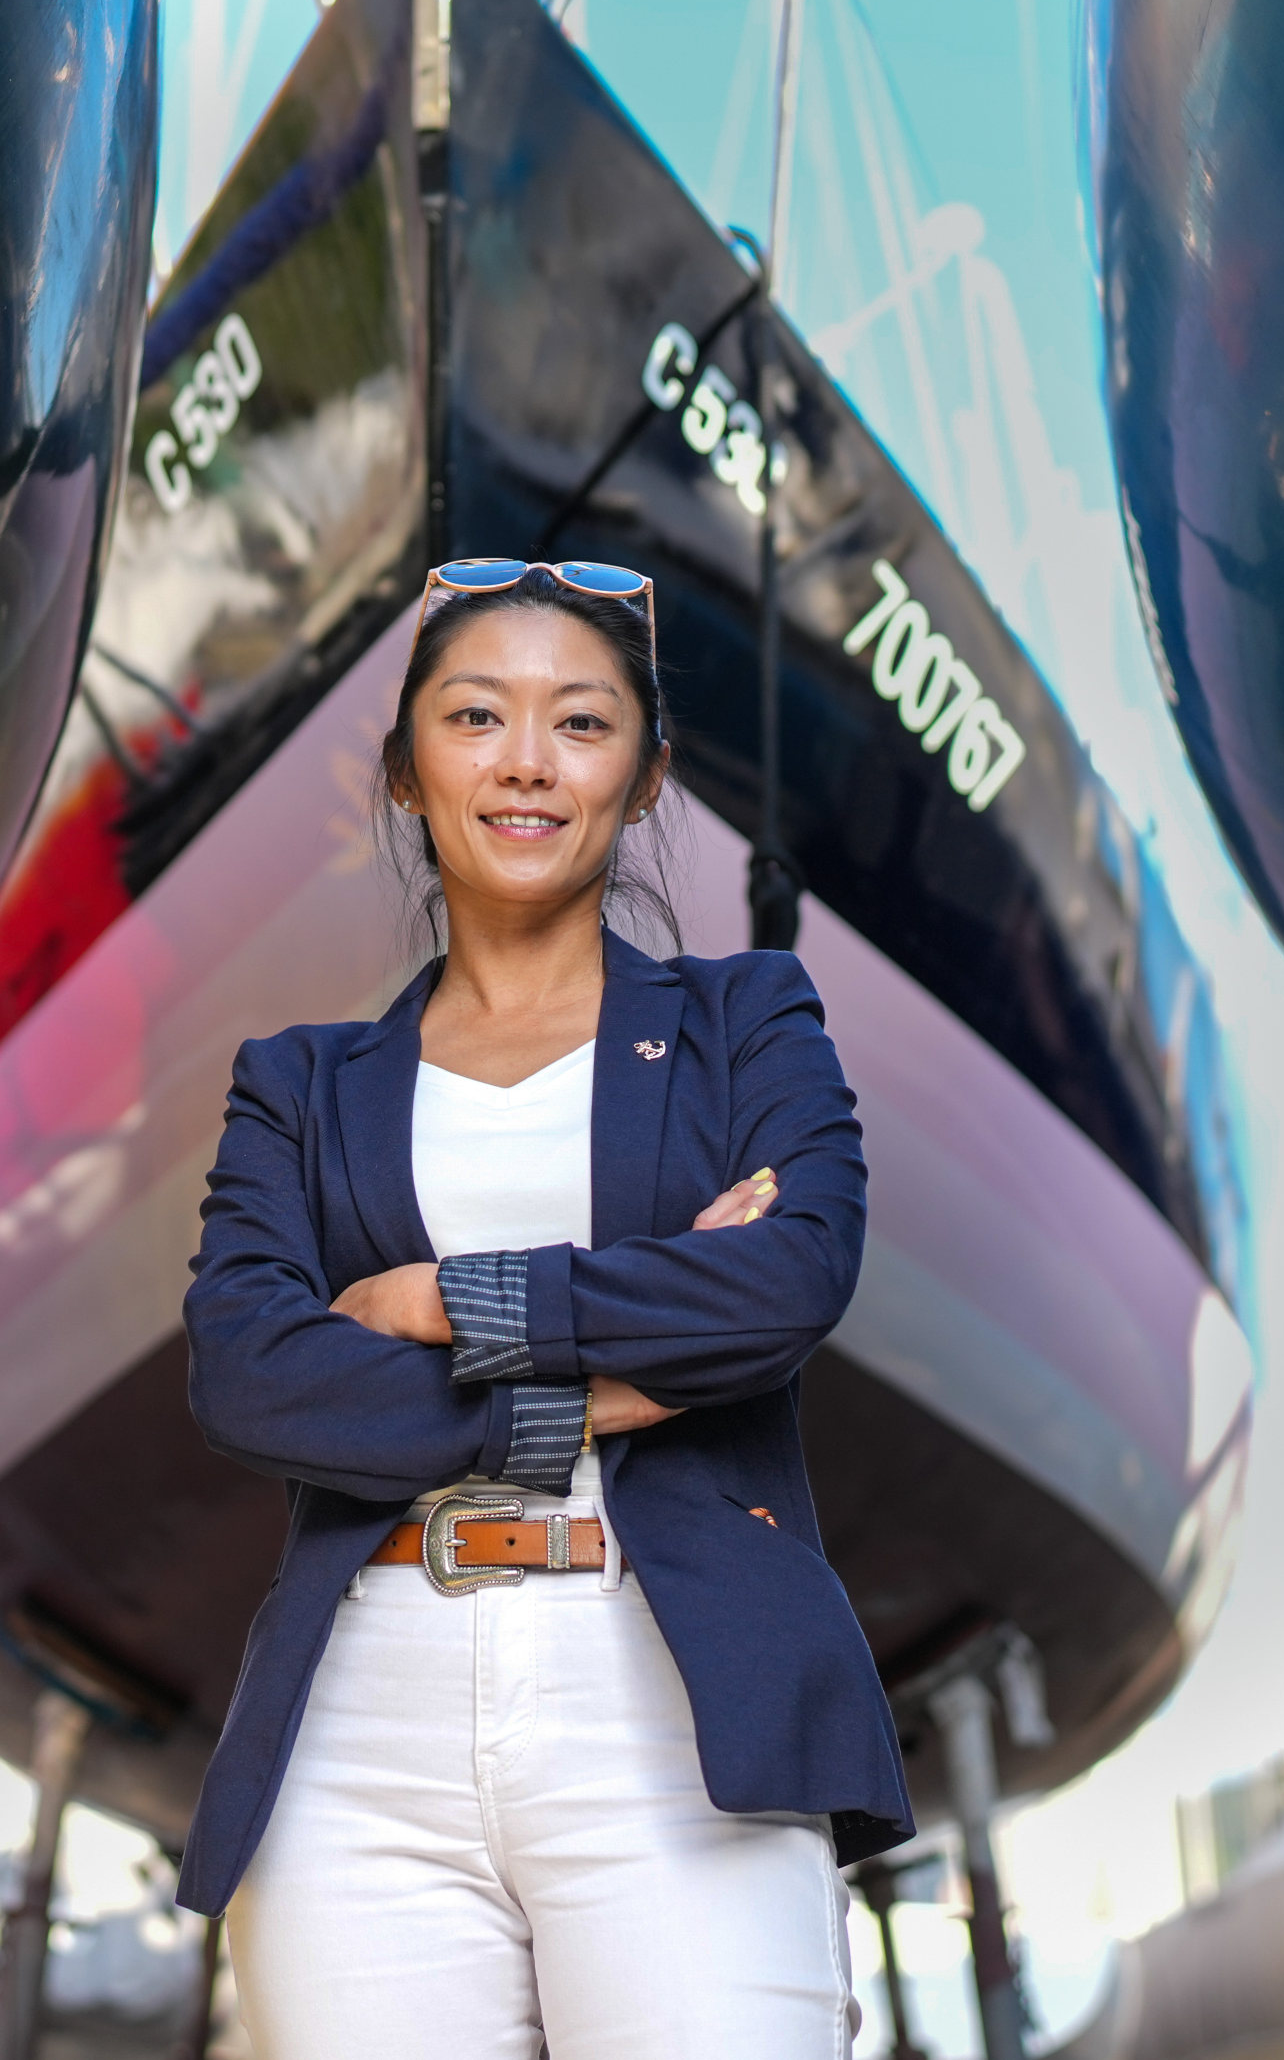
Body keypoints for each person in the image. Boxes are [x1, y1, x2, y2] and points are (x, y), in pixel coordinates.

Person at [173, 557, 911, 2059]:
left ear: (641, 781)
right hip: (362, 1726)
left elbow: (786, 1277)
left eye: (580, 722)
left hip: (670, 1703)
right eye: (474, 716)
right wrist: (576, 1392)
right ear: (404, 770)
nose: (525, 761)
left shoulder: (746, 1020)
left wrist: (454, 1299)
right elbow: (249, 1370)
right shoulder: (299, 1084)